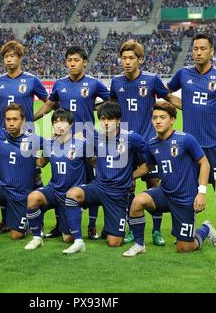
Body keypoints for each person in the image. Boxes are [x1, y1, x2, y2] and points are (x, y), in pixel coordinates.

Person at [166, 33, 216, 246]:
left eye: (203, 49)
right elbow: (165, 93)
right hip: (189, 144)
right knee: (188, 188)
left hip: (215, 144)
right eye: (195, 48)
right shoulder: (182, 74)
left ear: (212, 51)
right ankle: (187, 229)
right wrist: (184, 105)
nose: (198, 52)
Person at [122, 101, 216, 256]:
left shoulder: (186, 139)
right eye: (155, 117)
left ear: (172, 119)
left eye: (162, 117)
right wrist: (129, 176)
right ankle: (139, 244)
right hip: (165, 193)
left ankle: (205, 229)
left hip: (185, 198)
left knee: (184, 248)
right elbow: (148, 166)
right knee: (137, 202)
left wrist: (201, 192)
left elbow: (205, 164)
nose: (158, 121)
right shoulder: (152, 144)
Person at [110, 40, 181, 246]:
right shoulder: (116, 82)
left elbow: (169, 98)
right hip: (124, 145)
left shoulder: (151, 80)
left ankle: (156, 231)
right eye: (123, 58)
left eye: (131, 58)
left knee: (154, 185)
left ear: (140, 59)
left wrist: (192, 108)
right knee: (126, 187)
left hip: (150, 144)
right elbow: (110, 106)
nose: (127, 62)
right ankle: (132, 229)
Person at [34, 46, 110, 240]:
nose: (72, 63)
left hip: (87, 141)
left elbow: (111, 102)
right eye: (69, 60)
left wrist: (94, 107)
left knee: (93, 182)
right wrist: (33, 117)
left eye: (76, 60)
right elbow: (50, 104)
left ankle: (92, 226)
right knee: (62, 182)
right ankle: (61, 226)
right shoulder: (60, 84)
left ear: (84, 62)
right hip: (63, 141)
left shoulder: (94, 84)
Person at [63, 101, 150, 254]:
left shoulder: (132, 138)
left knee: (114, 243)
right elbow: (86, 154)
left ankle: (111, 229)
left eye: (110, 119)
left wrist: (131, 176)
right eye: (103, 119)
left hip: (118, 193)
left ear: (118, 120)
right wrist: (96, 163)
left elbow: (150, 162)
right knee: (72, 195)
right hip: (99, 187)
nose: (106, 123)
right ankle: (78, 241)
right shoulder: (95, 137)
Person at [0, 41, 49, 234]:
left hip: (27, 136)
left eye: (12, 56)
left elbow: (50, 102)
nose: (8, 59)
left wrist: (34, 117)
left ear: (20, 58)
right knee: (5, 177)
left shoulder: (32, 80)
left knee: (33, 174)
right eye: (5, 56)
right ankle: (6, 221)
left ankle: (37, 217)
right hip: (5, 136)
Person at [0, 103, 43, 242]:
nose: (11, 123)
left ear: (23, 120)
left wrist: (40, 163)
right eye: (8, 119)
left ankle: (29, 222)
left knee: (16, 236)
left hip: (21, 194)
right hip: (2, 188)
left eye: (15, 119)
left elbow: (54, 144)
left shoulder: (33, 139)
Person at [25, 108, 92, 250]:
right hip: (54, 190)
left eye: (63, 122)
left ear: (71, 124)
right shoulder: (49, 144)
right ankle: (37, 237)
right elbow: (41, 163)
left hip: (71, 195)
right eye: (55, 122)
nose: (59, 125)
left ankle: (72, 227)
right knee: (33, 198)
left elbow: (93, 163)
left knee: (67, 239)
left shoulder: (82, 144)